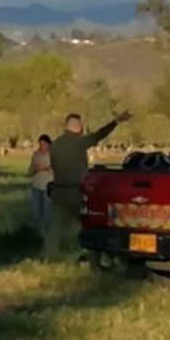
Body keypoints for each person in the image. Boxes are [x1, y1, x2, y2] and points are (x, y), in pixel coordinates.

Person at [44, 111, 132, 259]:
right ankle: (94, 259)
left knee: (55, 229)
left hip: (59, 192)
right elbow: (99, 135)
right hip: (76, 192)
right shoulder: (79, 143)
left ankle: (47, 257)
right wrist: (116, 121)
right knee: (91, 225)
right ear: (78, 127)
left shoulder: (55, 145)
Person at [28, 134, 54, 236]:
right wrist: (35, 169)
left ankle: (47, 233)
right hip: (36, 186)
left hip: (48, 187)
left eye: (43, 145)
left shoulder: (53, 156)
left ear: (48, 145)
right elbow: (30, 171)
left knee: (47, 212)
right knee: (36, 212)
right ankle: (38, 233)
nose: (41, 147)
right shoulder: (36, 155)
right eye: (40, 145)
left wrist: (45, 168)